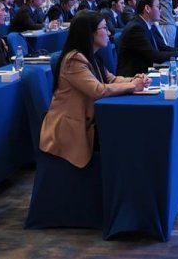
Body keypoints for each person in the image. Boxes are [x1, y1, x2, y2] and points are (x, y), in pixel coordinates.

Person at [39, 13, 148, 168]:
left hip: (90, 119)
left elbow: (111, 79)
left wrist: (134, 80)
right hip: (71, 127)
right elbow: (97, 90)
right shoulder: (74, 60)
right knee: (126, 134)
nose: (109, 33)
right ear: (90, 33)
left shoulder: (92, 56)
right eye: (104, 28)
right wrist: (132, 86)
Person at [116, 0, 178, 77]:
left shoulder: (149, 24)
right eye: (158, 7)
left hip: (146, 72)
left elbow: (162, 47)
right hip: (133, 77)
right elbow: (154, 56)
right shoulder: (136, 28)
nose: (160, 10)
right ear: (147, 8)